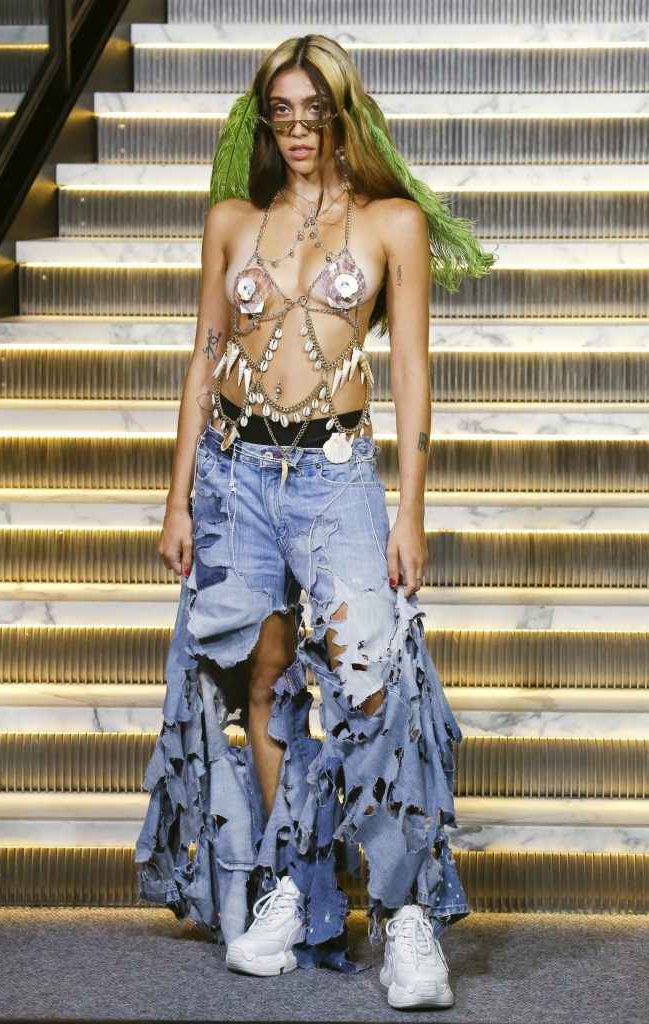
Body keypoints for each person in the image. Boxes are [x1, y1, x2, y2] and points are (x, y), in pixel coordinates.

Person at [134, 33, 494, 1011]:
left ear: (343, 116)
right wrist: (176, 495)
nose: (298, 129)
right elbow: (203, 357)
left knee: (369, 683)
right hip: (235, 477)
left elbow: (410, 368)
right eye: (282, 112)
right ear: (265, 121)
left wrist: (410, 508)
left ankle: (404, 916)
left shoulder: (388, 223)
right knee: (262, 675)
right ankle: (292, 883)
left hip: (336, 479)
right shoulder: (231, 222)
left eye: (315, 111)